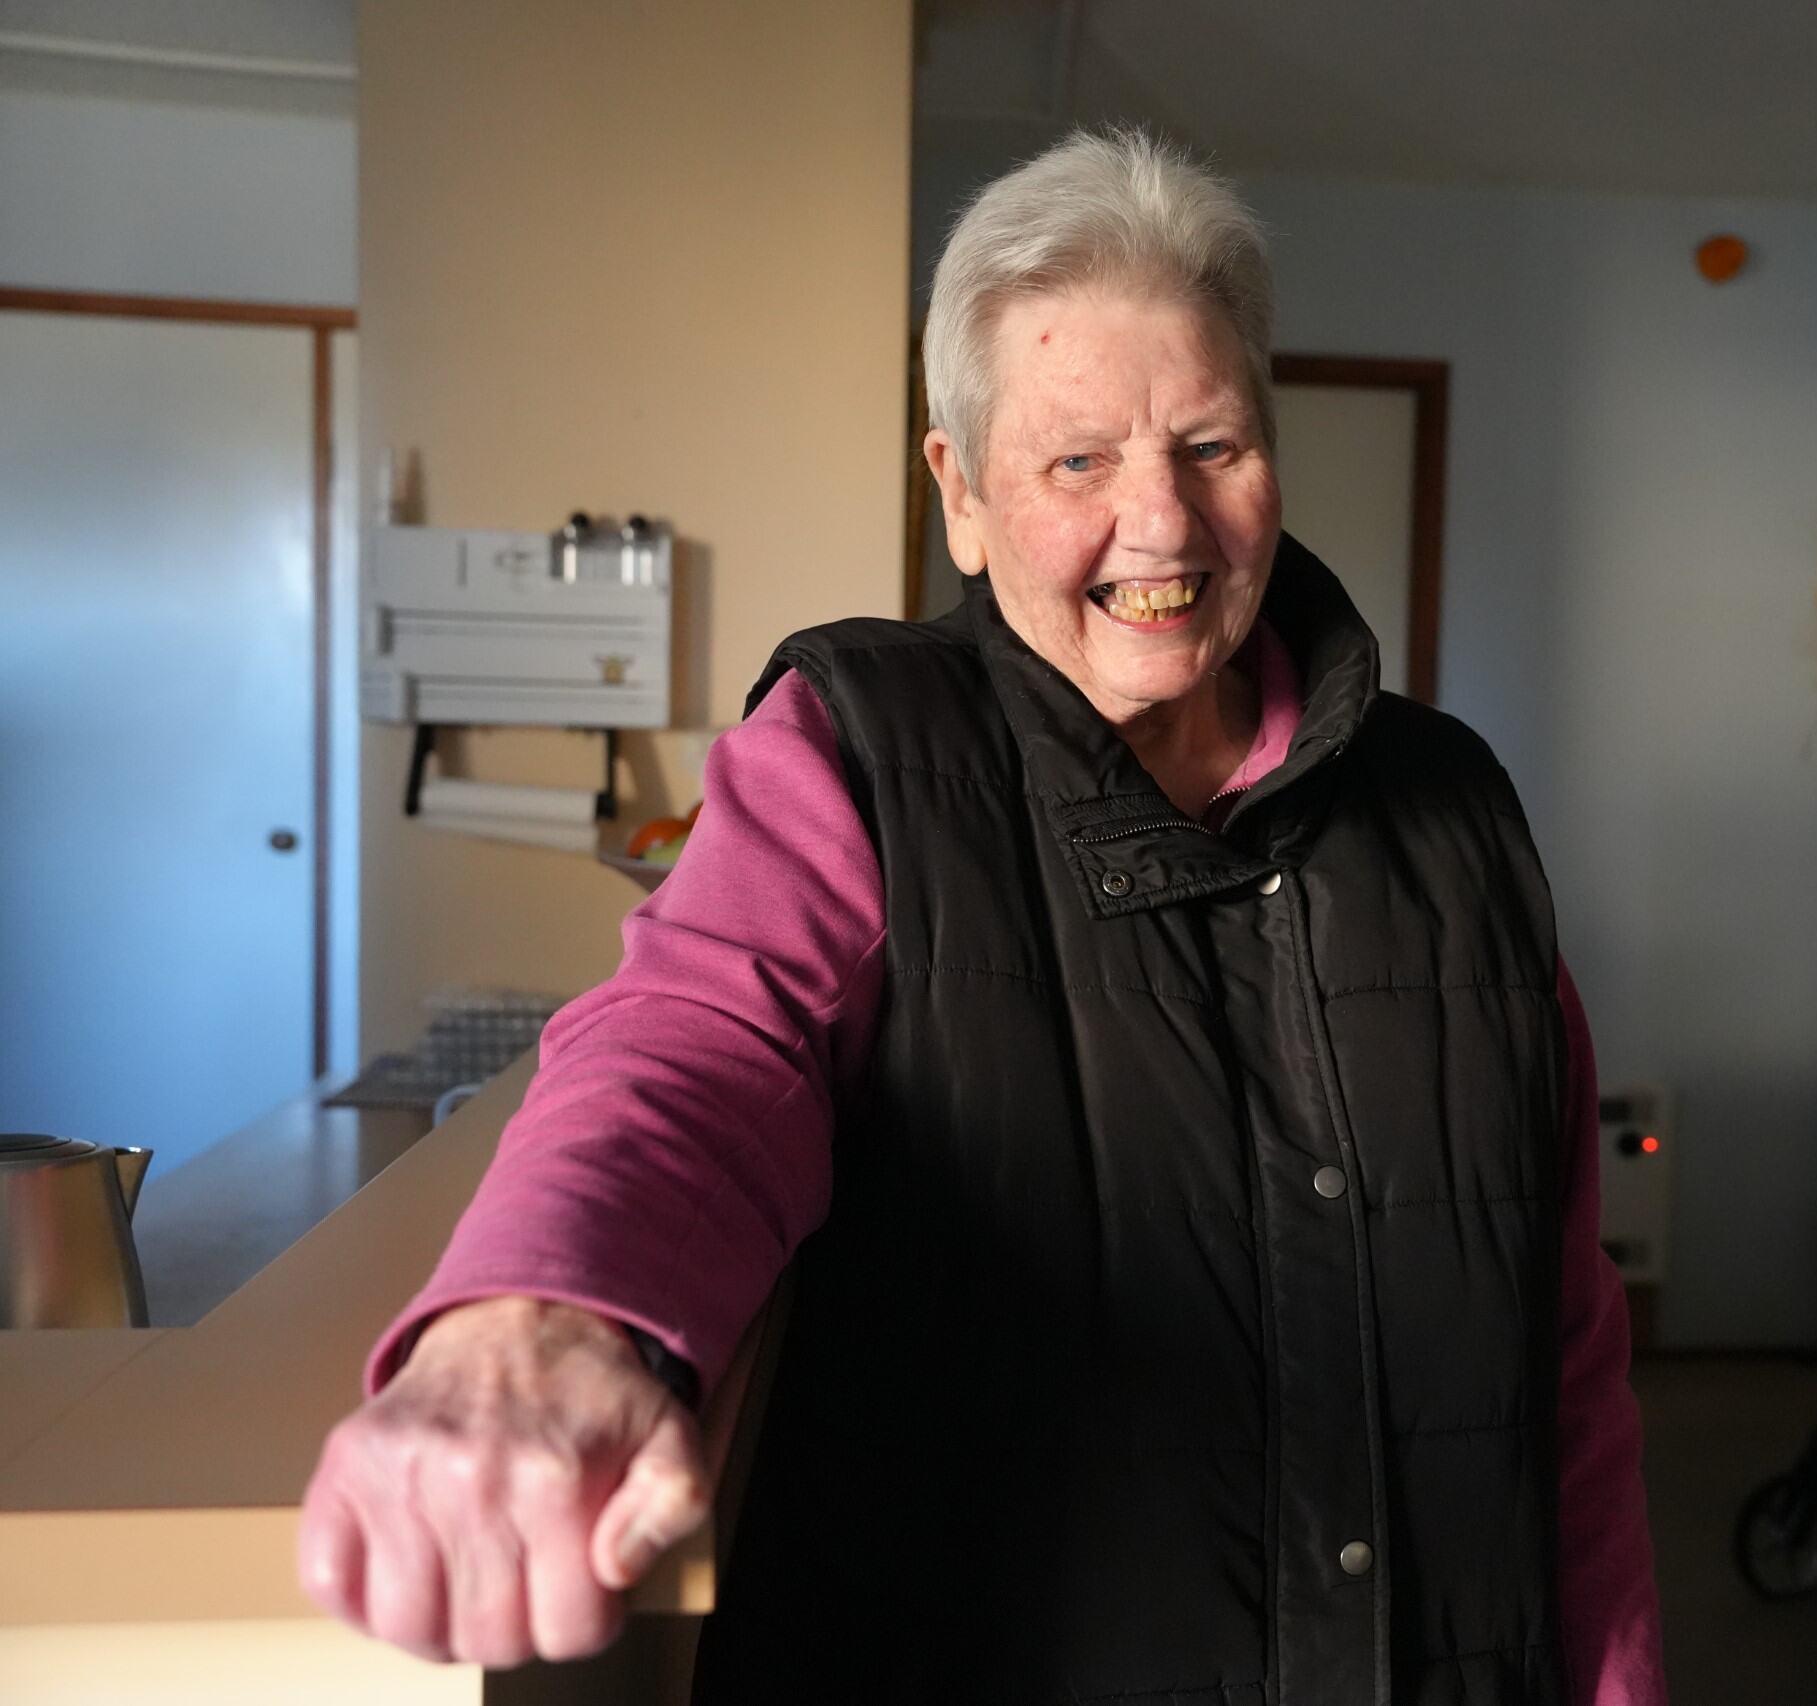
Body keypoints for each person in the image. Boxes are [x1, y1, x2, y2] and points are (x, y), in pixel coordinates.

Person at [300, 128, 1665, 1705]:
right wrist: (531, 1319)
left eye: (1211, 445)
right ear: (959, 490)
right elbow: (691, 1043)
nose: (1161, 526)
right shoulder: (858, 750)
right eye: (1077, 460)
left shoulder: (1457, 804)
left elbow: (1561, 1354)